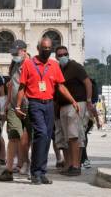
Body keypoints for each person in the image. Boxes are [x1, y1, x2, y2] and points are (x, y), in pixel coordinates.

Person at [15, 37, 79, 185]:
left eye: (49, 49)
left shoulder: (54, 65)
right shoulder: (29, 64)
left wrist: (73, 100)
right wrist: (18, 106)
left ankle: (41, 172)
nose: (47, 51)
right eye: (44, 49)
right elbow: (22, 87)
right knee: (41, 134)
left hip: (49, 104)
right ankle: (35, 172)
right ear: (38, 48)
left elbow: (61, 86)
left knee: (46, 137)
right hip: (35, 104)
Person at [54, 46, 94, 176]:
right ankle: (71, 164)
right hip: (63, 105)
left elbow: (87, 83)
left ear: (68, 54)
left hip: (77, 103)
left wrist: (88, 101)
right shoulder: (59, 68)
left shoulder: (75, 66)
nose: (62, 56)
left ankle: (76, 165)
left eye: (64, 54)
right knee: (67, 137)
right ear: (56, 57)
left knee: (74, 135)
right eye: (59, 55)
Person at [0, 40, 33, 181]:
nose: (13, 55)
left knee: (29, 138)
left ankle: (31, 166)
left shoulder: (32, 64)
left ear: (24, 50)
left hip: (29, 105)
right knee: (13, 136)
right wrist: (6, 104)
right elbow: (11, 84)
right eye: (12, 53)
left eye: (16, 53)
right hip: (13, 106)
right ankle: (9, 170)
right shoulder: (15, 64)